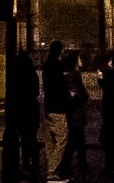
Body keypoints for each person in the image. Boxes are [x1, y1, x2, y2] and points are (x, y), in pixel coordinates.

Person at [41, 41, 75, 177]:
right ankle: (52, 170)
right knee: (62, 139)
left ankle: (51, 169)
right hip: (58, 107)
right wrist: (69, 97)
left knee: (50, 142)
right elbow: (60, 87)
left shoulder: (47, 65)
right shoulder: (56, 66)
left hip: (49, 106)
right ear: (60, 51)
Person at [8, 49, 42, 177]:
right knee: (32, 139)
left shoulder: (14, 74)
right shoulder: (31, 73)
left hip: (19, 109)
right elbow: (36, 91)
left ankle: (25, 164)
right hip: (30, 109)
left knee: (23, 140)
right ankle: (35, 166)